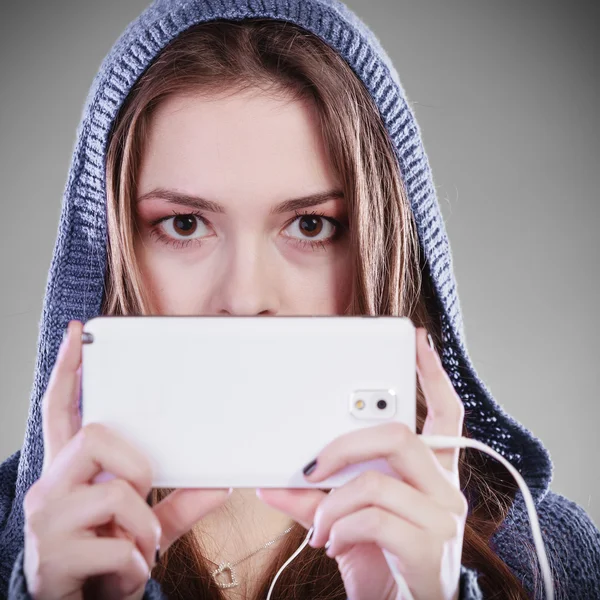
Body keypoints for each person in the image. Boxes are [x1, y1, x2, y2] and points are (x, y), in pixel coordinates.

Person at [0, 0, 598, 599]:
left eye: (310, 226)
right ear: (106, 246)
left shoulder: (546, 555)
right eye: (184, 224)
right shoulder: (20, 544)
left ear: (378, 246)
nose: (245, 297)